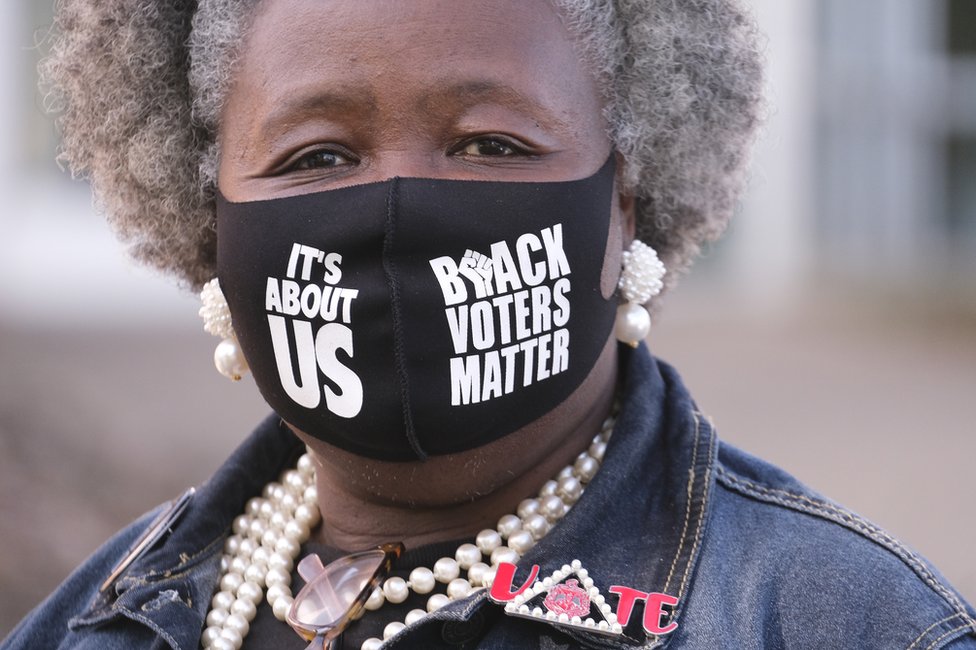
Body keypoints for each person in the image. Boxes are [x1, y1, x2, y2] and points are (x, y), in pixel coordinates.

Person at [5, 0, 975, 649]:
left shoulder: (841, 617)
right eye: (314, 157)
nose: (395, 208)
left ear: (623, 202)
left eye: (491, 143)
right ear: (209, 225)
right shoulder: (112, 610)